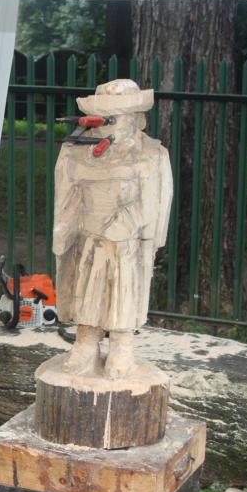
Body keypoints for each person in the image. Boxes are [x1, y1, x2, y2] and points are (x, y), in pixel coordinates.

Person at [52, 79, 173, 379]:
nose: (105, 125)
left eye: (114, 118)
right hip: (88, 234)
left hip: (124, 241)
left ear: (135, 119)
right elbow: (67, 193)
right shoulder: (75, 151)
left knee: (122, 293)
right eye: (102, 117)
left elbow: (154, 201)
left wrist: (127, 224)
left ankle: (121, 345)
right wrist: (64, 229)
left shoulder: (152, 155)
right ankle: (86, 342)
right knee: (86, 290)